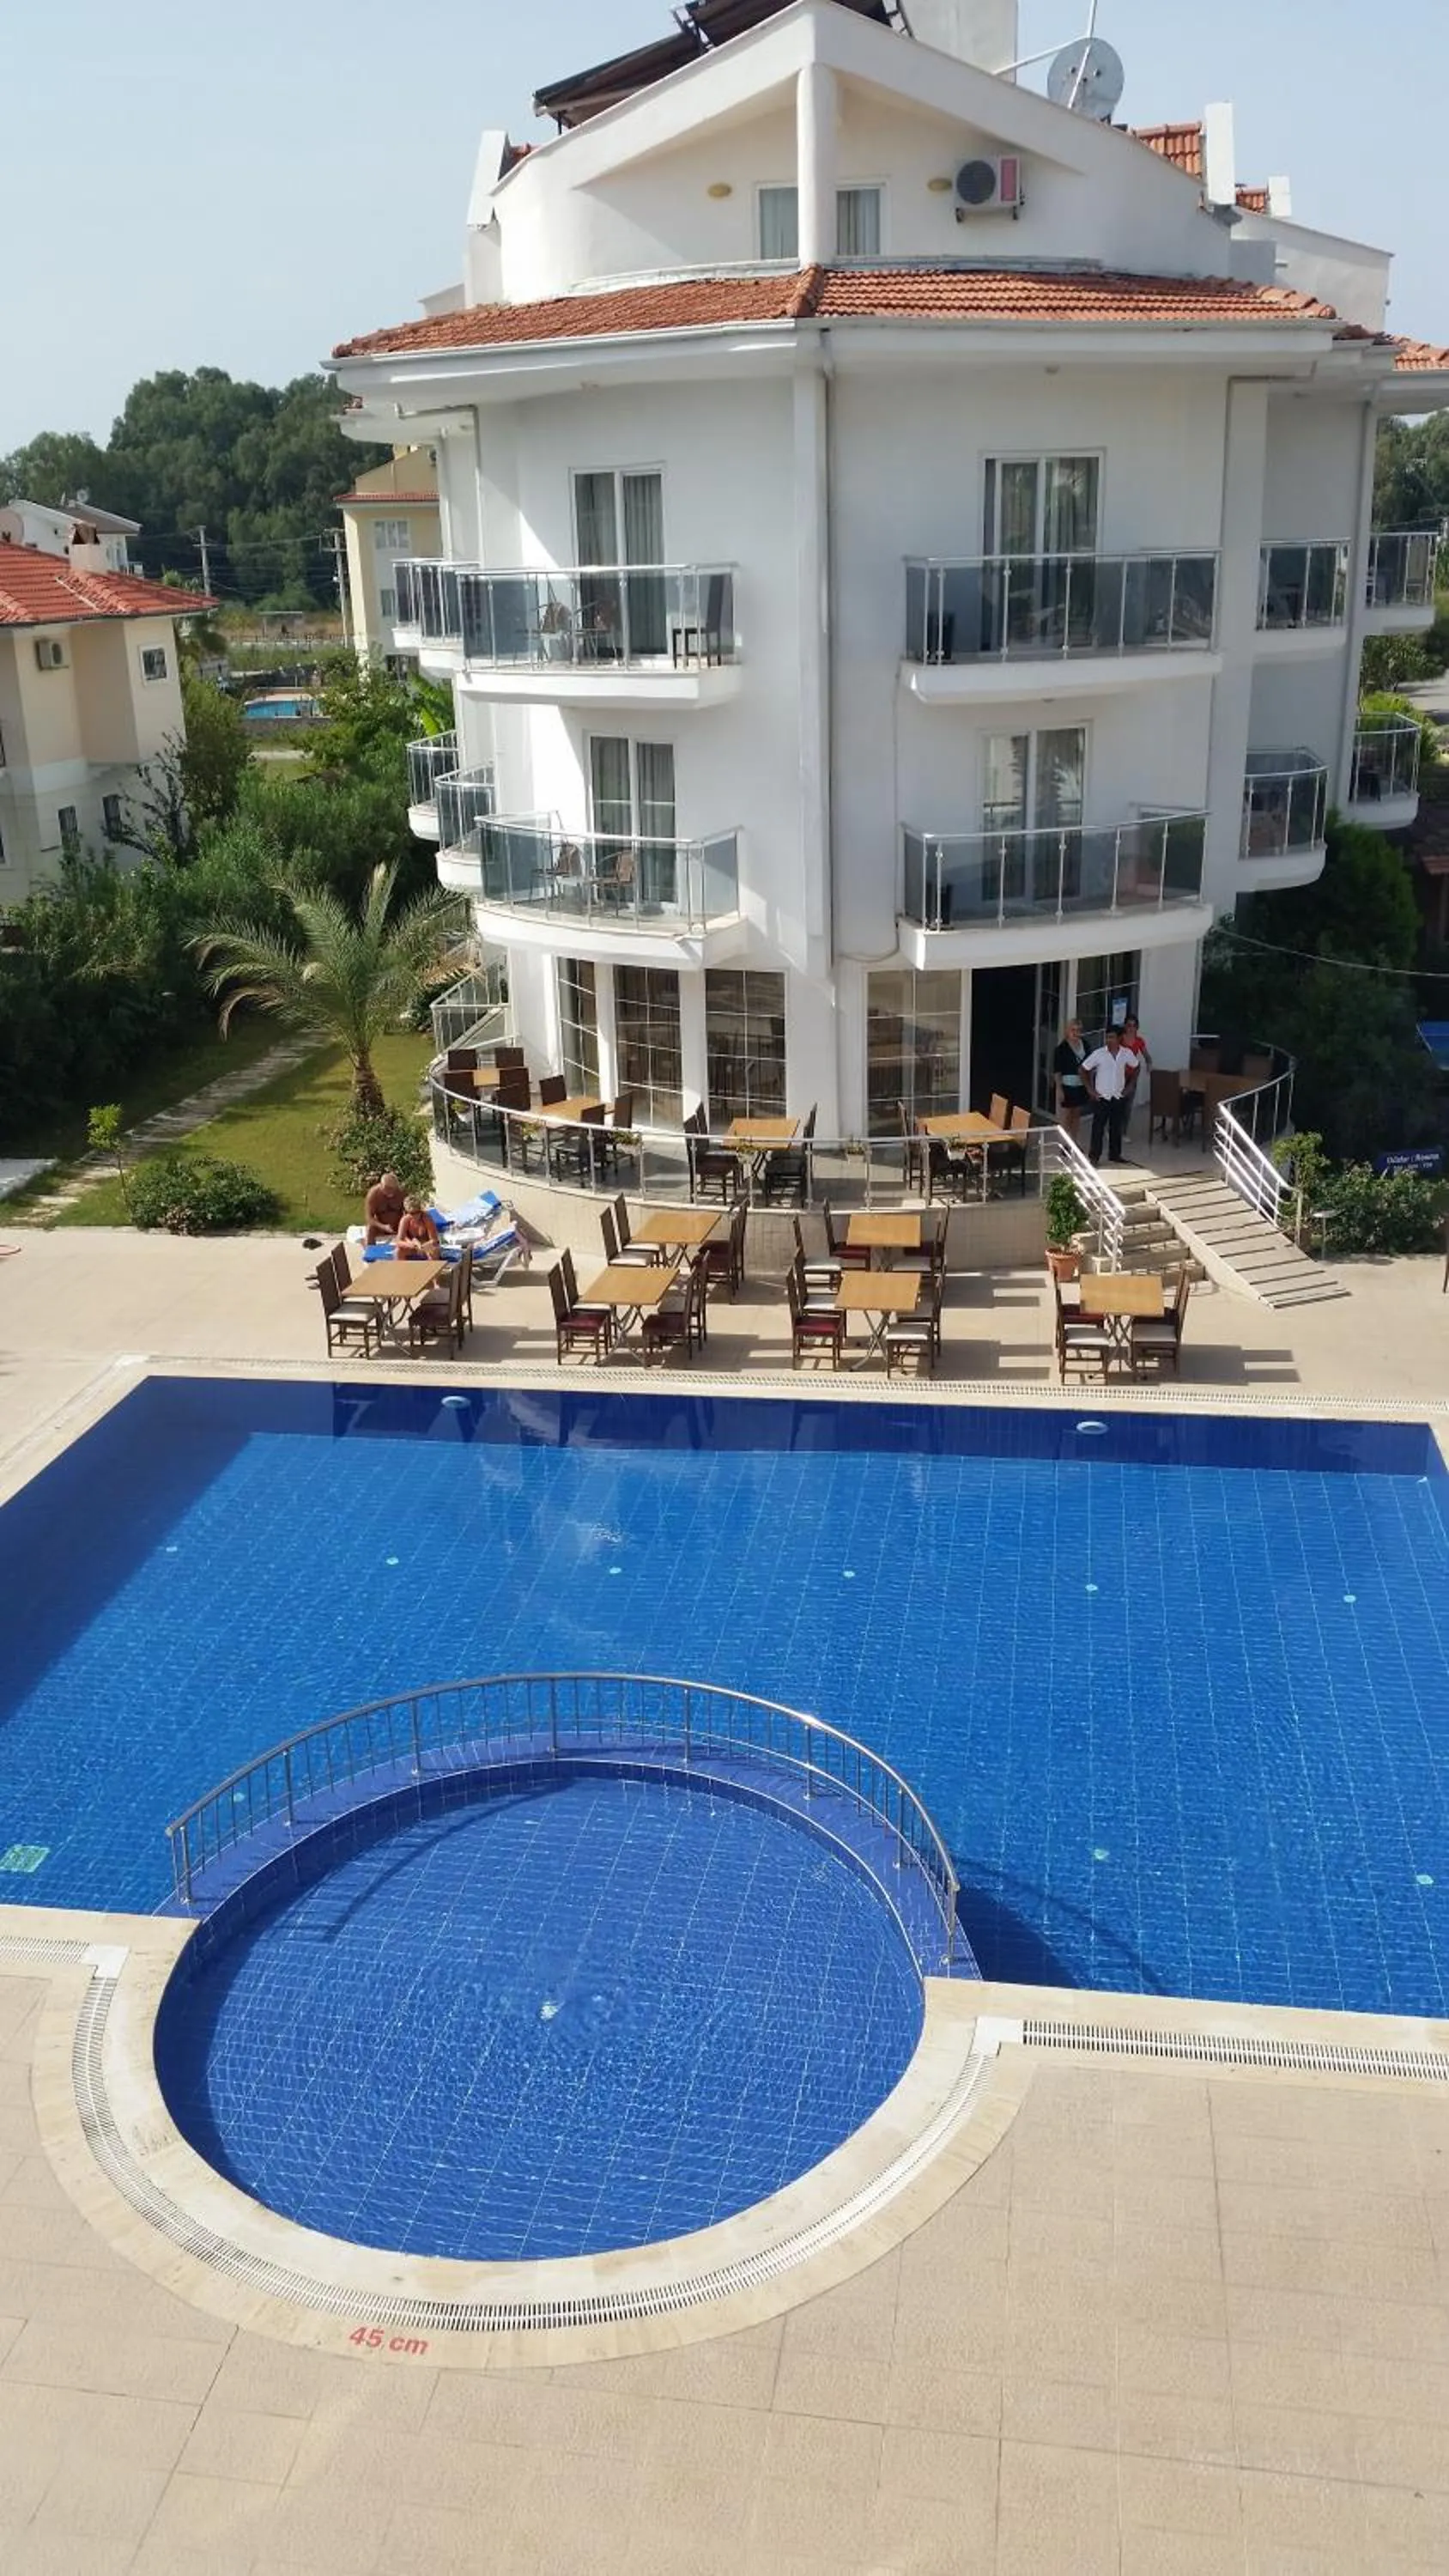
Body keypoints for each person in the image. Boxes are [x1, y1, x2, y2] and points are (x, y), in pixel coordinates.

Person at [1081, 1025, 1131, 1167]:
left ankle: (1115, 1154)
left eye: (1112, 1037)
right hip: (1102, 1097)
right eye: (1107, 1037)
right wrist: (1090, 1090)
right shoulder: (1099, 1054)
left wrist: (1130, 1087)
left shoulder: (1126, 1053)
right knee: (1098, 1128)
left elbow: (1137, 1066)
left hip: (1117, 1096)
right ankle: (1094, 1157)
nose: (1109, 1040)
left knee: (1116, 1127)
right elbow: (1083, 1070)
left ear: (1119, 1038)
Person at [1053, 1019, 1089, 1140]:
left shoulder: (1085, 1044)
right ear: (1067, 1031)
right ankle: (1064, 1143)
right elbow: (1057, 1071)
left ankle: (1074, 1141)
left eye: (1078, 1030)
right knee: (1067, 1116)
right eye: (1073, 1030)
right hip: (1067, 1086)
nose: (1075, 1033)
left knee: (1076, 1115)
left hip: (1081, 1085)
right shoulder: (1061, 1049)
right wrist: (1059, 1089)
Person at [1118, 1015, 1152, 1133]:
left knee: (1128, 1105)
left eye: (1134, 1026)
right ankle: (1114, 1129)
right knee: (1118, 1104)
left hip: (1132, 1076)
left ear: (1137, 1027)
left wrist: (1149, 1064)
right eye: (1129, 1025)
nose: (1131, 1028)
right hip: (1119, 1075)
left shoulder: (1139, 1041)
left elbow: (1146, 1055)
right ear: (1125, 1026)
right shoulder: (1120, 1039)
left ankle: (1123, 1131)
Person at [364, 1170, 405, 1245]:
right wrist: (383, 1227)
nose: (391, 1192)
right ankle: (370, 1252)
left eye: (393, 1189)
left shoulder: (401, 1193)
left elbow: (409, 1212)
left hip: (399, 1224)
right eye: (387, 1189)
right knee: (370, 1229)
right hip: (381, 1225)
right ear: (382, 1186)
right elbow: (369, 1217)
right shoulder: (374, 1195)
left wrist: (403, 1224)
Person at [395, 1195, 441, 1260]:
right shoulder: (405, 1220)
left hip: (426, 1245)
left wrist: (422, 1246)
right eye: (412, 1213)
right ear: (407, 1212)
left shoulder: (426, 1218)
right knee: (398, 1251)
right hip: (413, 1246)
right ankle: (401, 1269)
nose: (415, 1216)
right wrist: (411, 1245)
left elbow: (434, 1240)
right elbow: (398, 1241)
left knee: (433, 1252)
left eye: (417, 1212)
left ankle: (431, 1269)